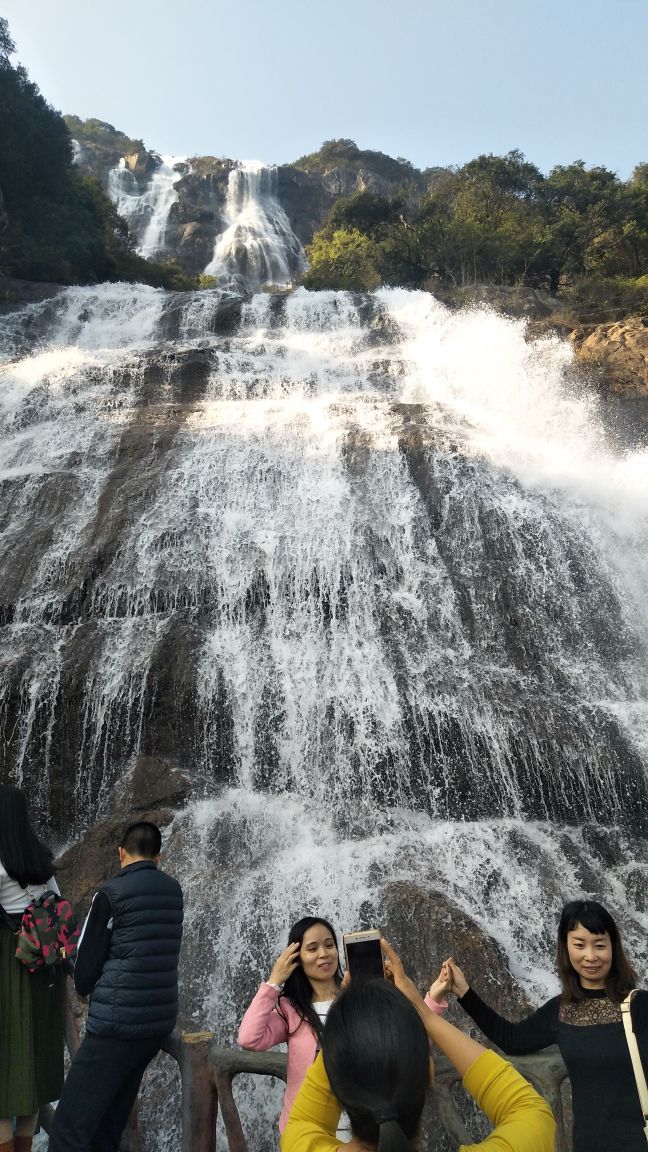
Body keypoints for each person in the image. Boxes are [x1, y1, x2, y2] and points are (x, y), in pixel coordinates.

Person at [282, 938, 555, 1152]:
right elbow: (527, 1109)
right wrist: (422, 1013)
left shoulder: (298, 1143)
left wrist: (350, 1015)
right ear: (430, 1072)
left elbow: (306, 1120)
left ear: (336, 1086)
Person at [440, 899, 648, 1152]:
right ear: (566, 947)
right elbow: (512, 1039)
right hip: (588, 1144)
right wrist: (464, 992)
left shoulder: (639, 1005)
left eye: (600, 946)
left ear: (613, 948)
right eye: (580, 945)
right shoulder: (560, 1010)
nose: (590, 956)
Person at [48, 820, 183, 1152]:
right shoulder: (173, 890)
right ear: (159, 856)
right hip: (155, 1026)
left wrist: (71, 964)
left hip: (115, 1027)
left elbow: (86, 973)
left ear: (121, 853)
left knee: (69, 1128)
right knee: (109, 1125)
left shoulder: (110, 893)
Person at [0, 785, 66, 1152]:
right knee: (31, 1061)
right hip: (41, 967)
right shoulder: (41, 858)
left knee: (5, 1057)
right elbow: (57, 901)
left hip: (8, 965)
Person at [238, 917, 345, 1133]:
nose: (323, 954)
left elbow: (403, 1036)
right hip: (307, 1130)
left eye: (329, 945)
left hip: (359, 1128)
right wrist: (273, 982)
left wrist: (433, 1000)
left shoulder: (358, 996)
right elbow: (248, 1038)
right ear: (297, 958)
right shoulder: (290, 1009)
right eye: (312, 948)